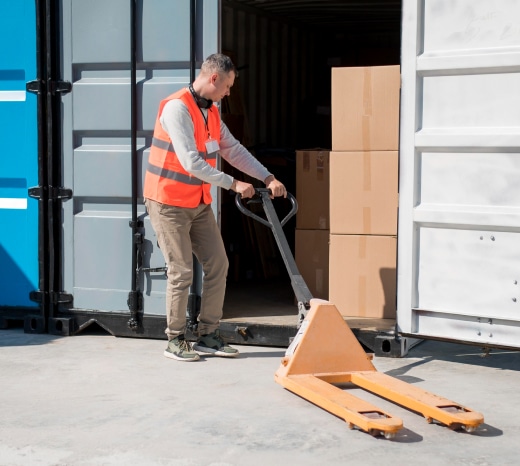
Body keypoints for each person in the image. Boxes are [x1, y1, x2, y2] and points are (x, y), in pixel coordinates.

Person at [143, 53, 286, 362]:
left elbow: (232, 149)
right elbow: (191, 162)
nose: (229, 93)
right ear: (214, 79)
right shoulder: (177, 108)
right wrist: (234, 184)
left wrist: (267, 176)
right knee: (181, 271)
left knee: (218, 265)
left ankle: (208, 334)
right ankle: (175, 339)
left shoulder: (211, 112)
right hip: (167, 202)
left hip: (197, 202)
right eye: (229, 85)